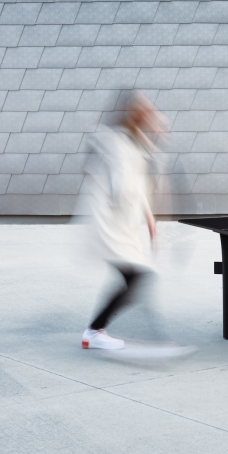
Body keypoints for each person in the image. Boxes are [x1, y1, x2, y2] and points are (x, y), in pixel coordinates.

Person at [80, 92, 166, 350]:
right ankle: (93, 332)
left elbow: (136, 187)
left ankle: (94, 331)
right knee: (137, 277)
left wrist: (150, 221)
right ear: (136, 115)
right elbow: (124, 185)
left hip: (119, 226)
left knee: (134, 279)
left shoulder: (134, 143)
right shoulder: (119, 143)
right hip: (109, 225)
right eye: (147, 113)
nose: (152, 118)